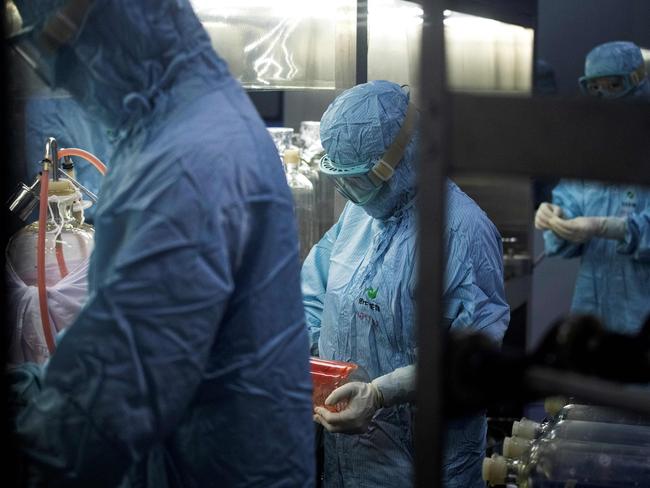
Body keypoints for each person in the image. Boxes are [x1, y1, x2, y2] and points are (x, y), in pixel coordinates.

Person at [10, 1, 314, 486]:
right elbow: (130, 320)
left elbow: (112, 397)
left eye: (61, 49)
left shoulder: (189, 163)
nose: (63, 75)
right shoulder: (181, 125)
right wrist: (38, 386)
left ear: (109, 25)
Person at [303, 80, 510, 487]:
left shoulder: (462, 231)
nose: (350, 194)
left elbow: (473, 357)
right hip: (347, 461)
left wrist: (381, 393)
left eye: (360, 181)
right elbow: (313, 296)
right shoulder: (359, 215)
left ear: (401, 161)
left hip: (424, 466)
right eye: (340, 181)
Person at [535, 41, 650, 334]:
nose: (604, 96)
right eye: (595, 88)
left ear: (638, 81)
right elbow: (573, 197)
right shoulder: (595, 147)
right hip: (593, 312)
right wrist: (555, 215)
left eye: (613, 85)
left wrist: (606, 227)